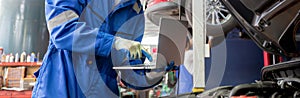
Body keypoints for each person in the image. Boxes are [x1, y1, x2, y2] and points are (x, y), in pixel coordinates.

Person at [32, 0, 174, 97]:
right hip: (62, 88)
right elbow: (63, 31)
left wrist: (153, 73)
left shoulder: (134, 10)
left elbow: (129, 72)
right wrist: (113, 43)